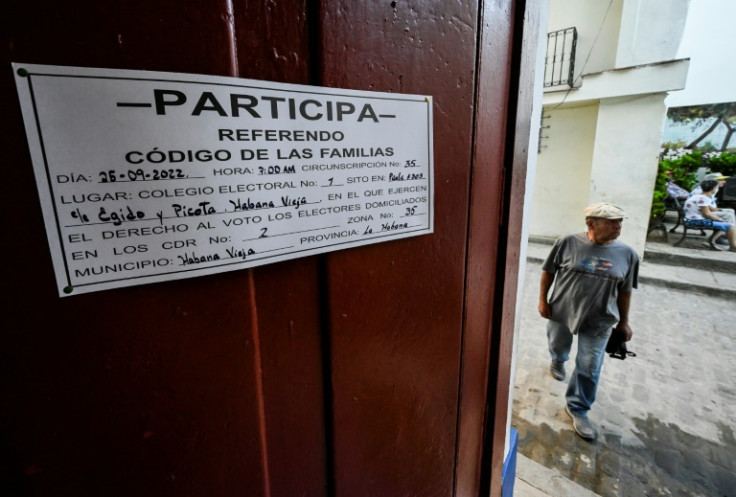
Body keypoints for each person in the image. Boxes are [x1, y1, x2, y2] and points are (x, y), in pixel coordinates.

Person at [538, 202, 639, 441]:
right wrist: (543, 300)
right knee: (557, 344)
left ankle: (578, 408)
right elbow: (548, 271)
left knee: (590, 366)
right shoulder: (567, 243)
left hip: (601, 319)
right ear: (591, 223)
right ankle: (558, 360)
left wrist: (624, 322)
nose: (618, 226)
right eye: (612, 221)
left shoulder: (628, 254)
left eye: (620, 221)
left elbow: (625, 291)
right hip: (562, 311)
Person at [683, 179, 736, 252]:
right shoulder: (703, 198)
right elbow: (707, 214)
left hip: (690, 219)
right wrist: (720, 220)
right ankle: (733, 246)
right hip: (696, 221)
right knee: (730, 225)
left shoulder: (699, 196)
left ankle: (726, 243)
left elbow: (709, 211)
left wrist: (719, 218)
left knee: (726, 223)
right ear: (713, 188)